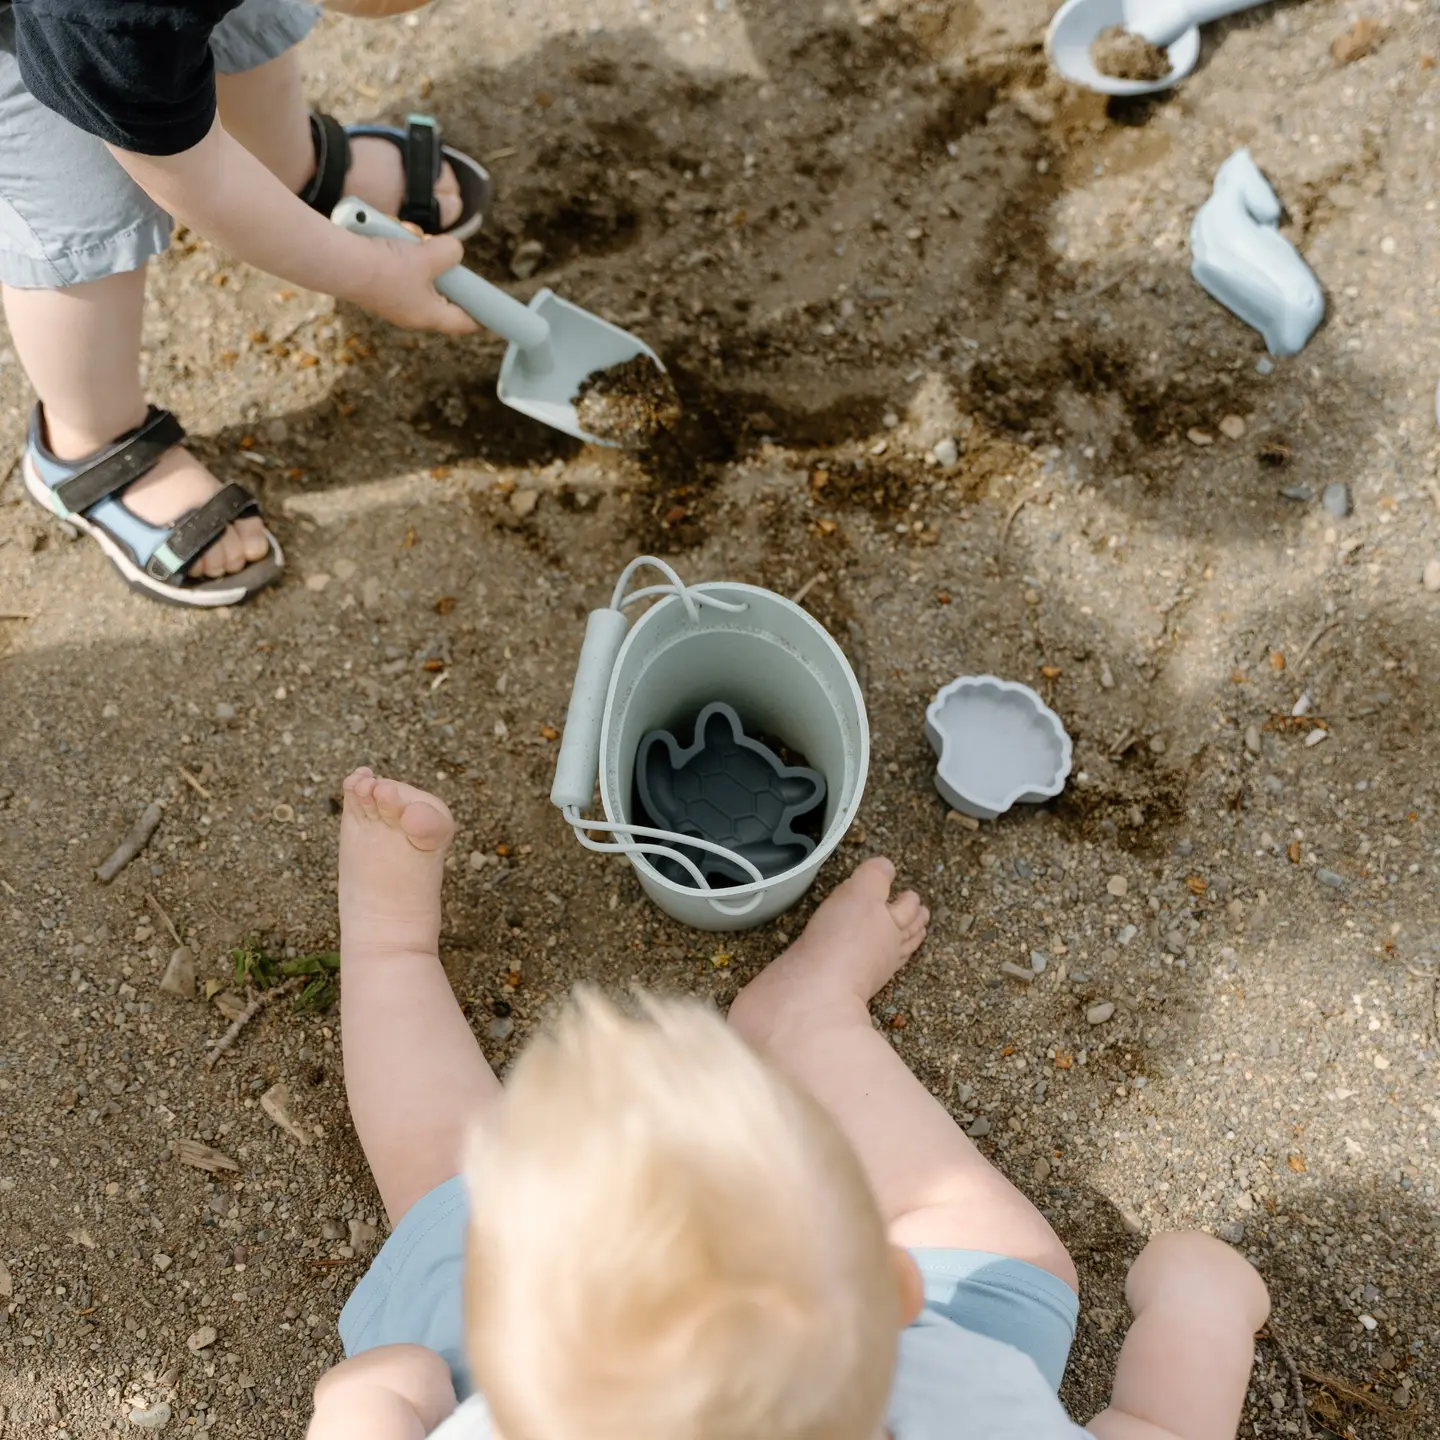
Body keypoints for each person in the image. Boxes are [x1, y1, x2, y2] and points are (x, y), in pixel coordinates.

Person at [312, 766, 1272, 1440]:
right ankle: (805, 1021)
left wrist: (380, 1403)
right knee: (1012, 1261)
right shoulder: (973, 1404)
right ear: (898, 1290)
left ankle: (388, 947)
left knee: (446, 1173)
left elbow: (381, 1396)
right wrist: (1198, 1330)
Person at [2, 0, 488, 607]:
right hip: (44, 30)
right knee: (80, 199)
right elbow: (190, 176)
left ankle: (288, 170)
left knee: (242, 16)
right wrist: (369, 274)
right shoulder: (113, 20)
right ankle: (86, 438)